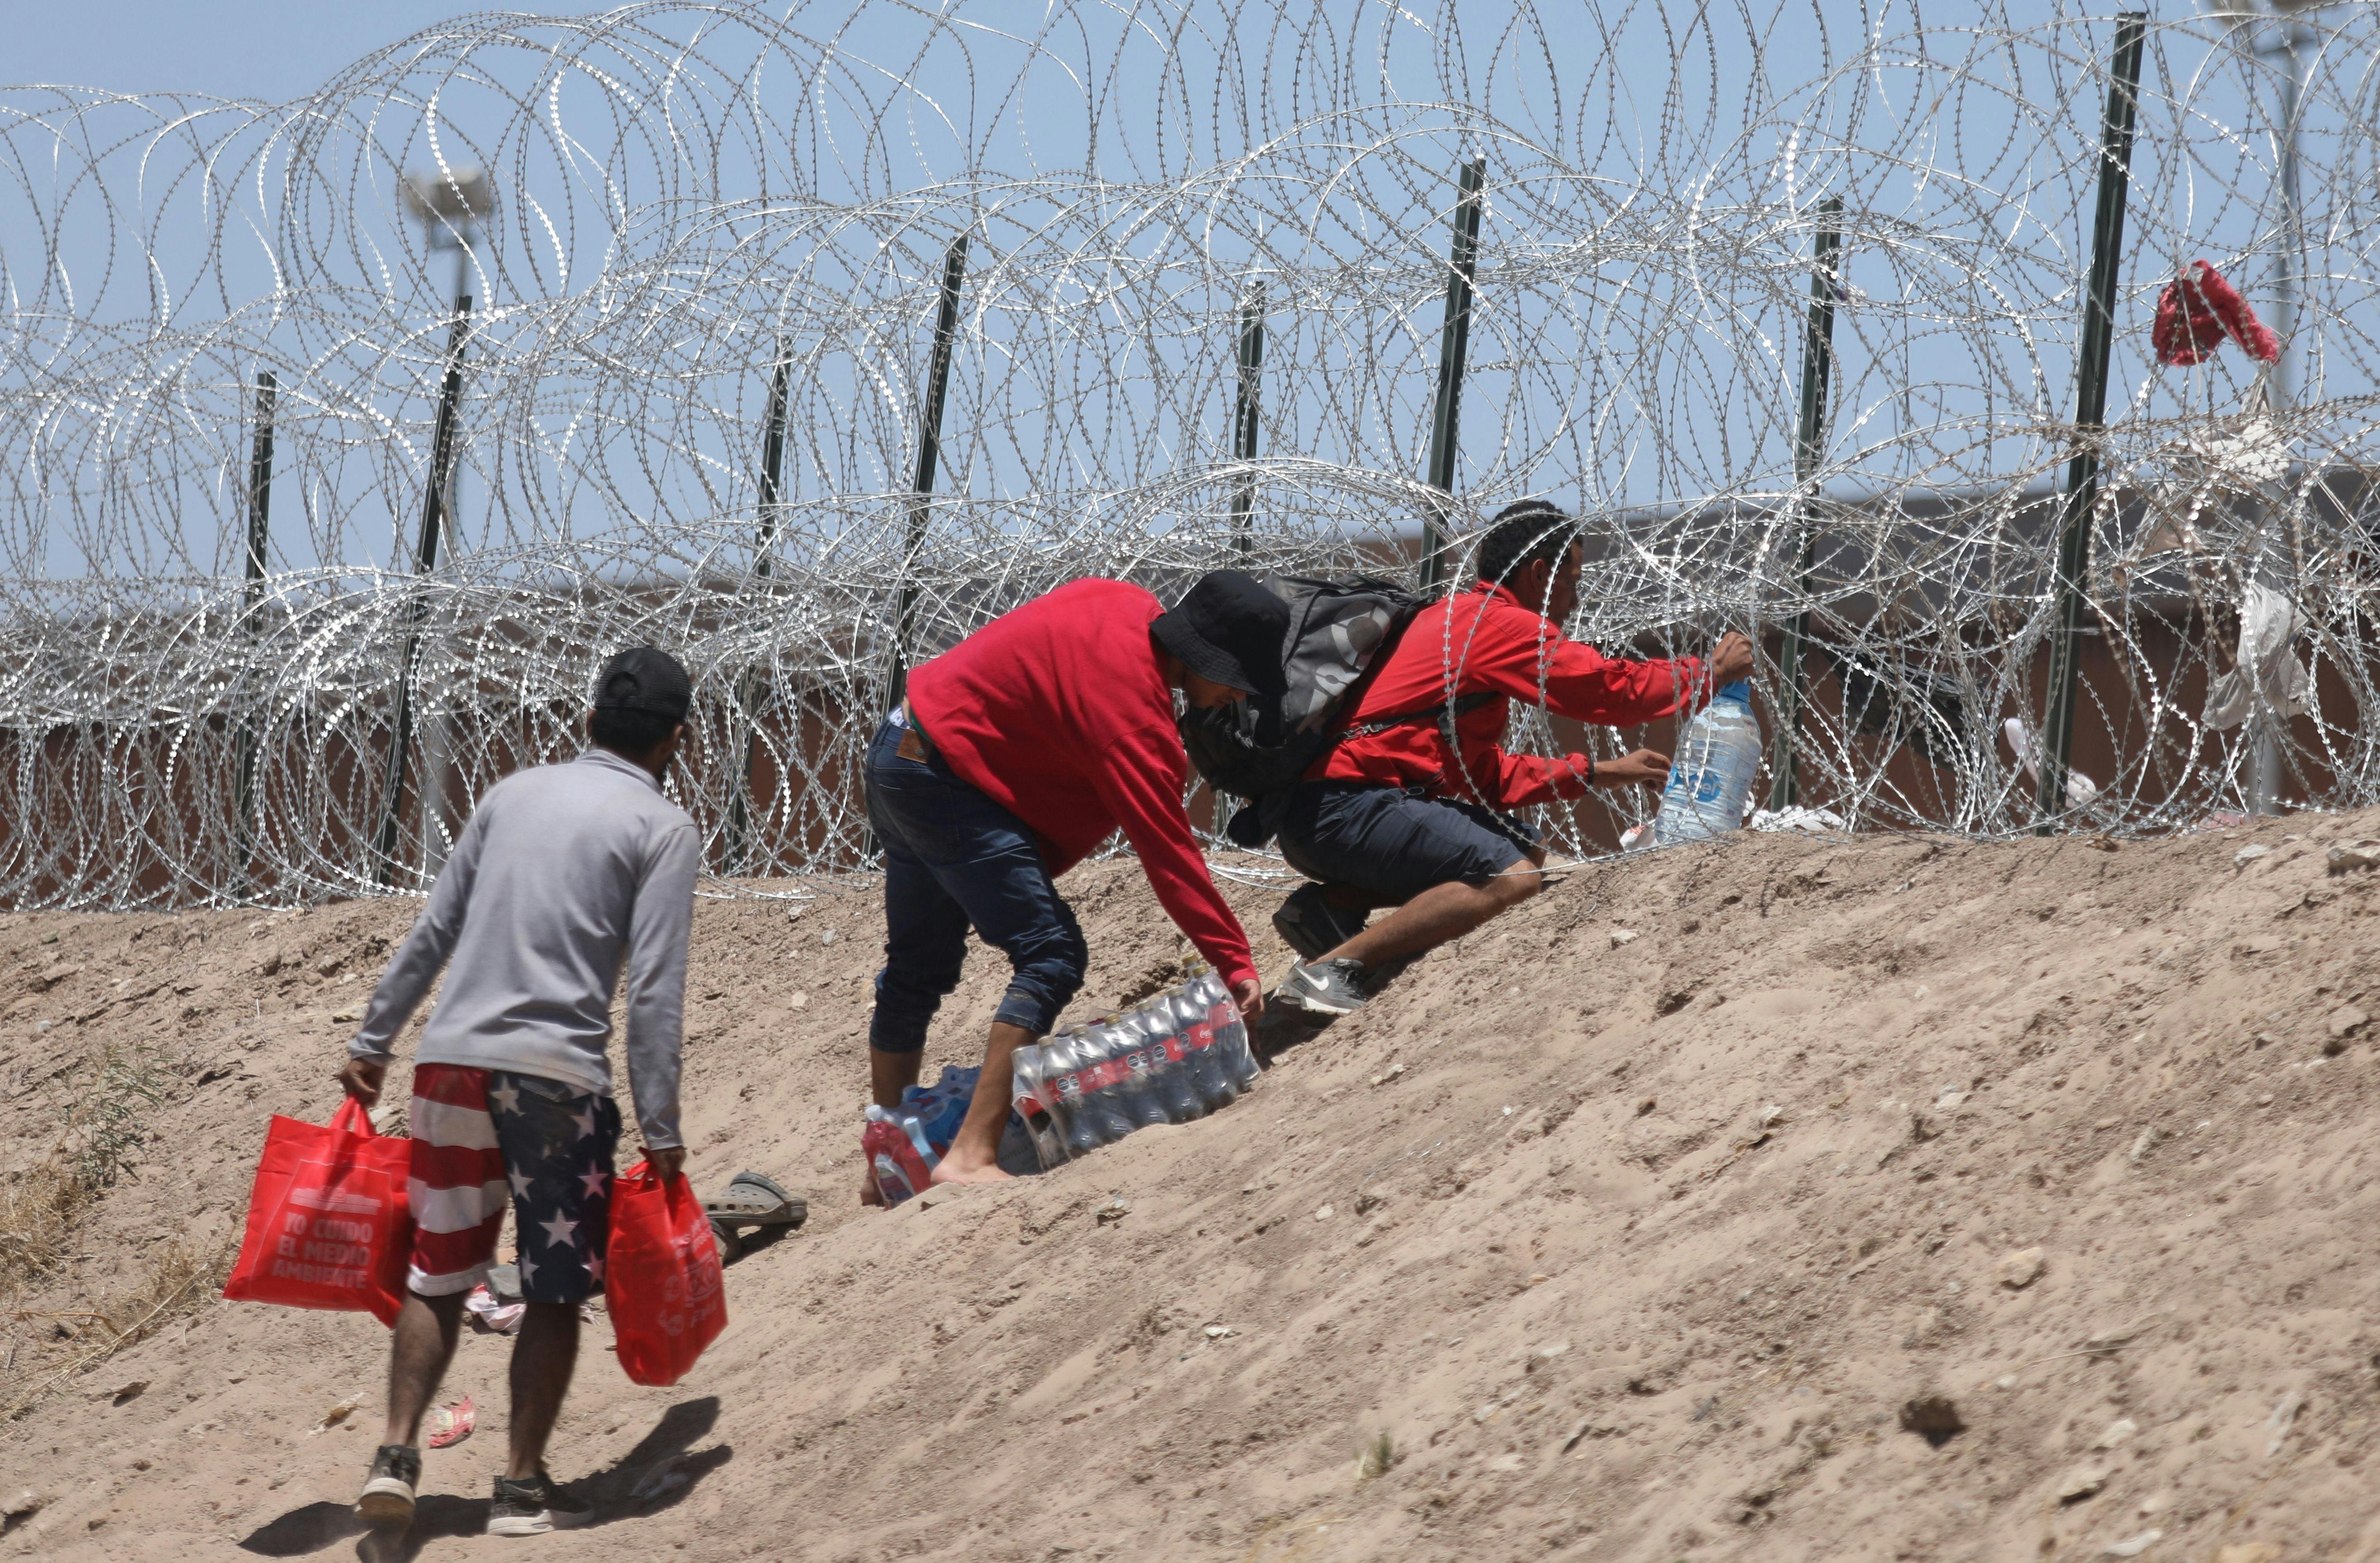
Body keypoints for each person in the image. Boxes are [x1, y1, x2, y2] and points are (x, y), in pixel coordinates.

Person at [335, 646, 700, 1537]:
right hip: (556, 1079)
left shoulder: (510, 794)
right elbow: (652, 989)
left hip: (450, 1064)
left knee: (439, 1267)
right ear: (678, 741)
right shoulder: (662, 826)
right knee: (552, 1282)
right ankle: (520, 1484)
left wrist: (373, 1038)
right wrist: (660, 1125)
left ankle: (395, 1452)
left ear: (586, 722)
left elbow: (436, 928)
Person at [864, 571, 1281, 1193]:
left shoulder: (1120, 602)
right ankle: (971, 1154)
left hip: (901, 748)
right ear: (1205, 657)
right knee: (1052, 954)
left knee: (916, 968)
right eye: (1236, 683)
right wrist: (1235, 963)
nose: (1234, 699)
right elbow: (1169, 856)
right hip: (945, 782)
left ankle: (886, 1163)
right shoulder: (1135, 718)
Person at [1272, 500, 1754, 1014]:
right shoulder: (1496, 625)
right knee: (1512, 876)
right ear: (1540, 574)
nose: (1573, 602)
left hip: (1323, 813)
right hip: (1346, 810)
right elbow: (1603, 688)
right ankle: (1333, 970)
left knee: (1517, 844)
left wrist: (1598, 772)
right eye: (1572, 581)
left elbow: (1482, 777)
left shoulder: (1453, 618)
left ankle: (1329, 908)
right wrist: (1707, 674)